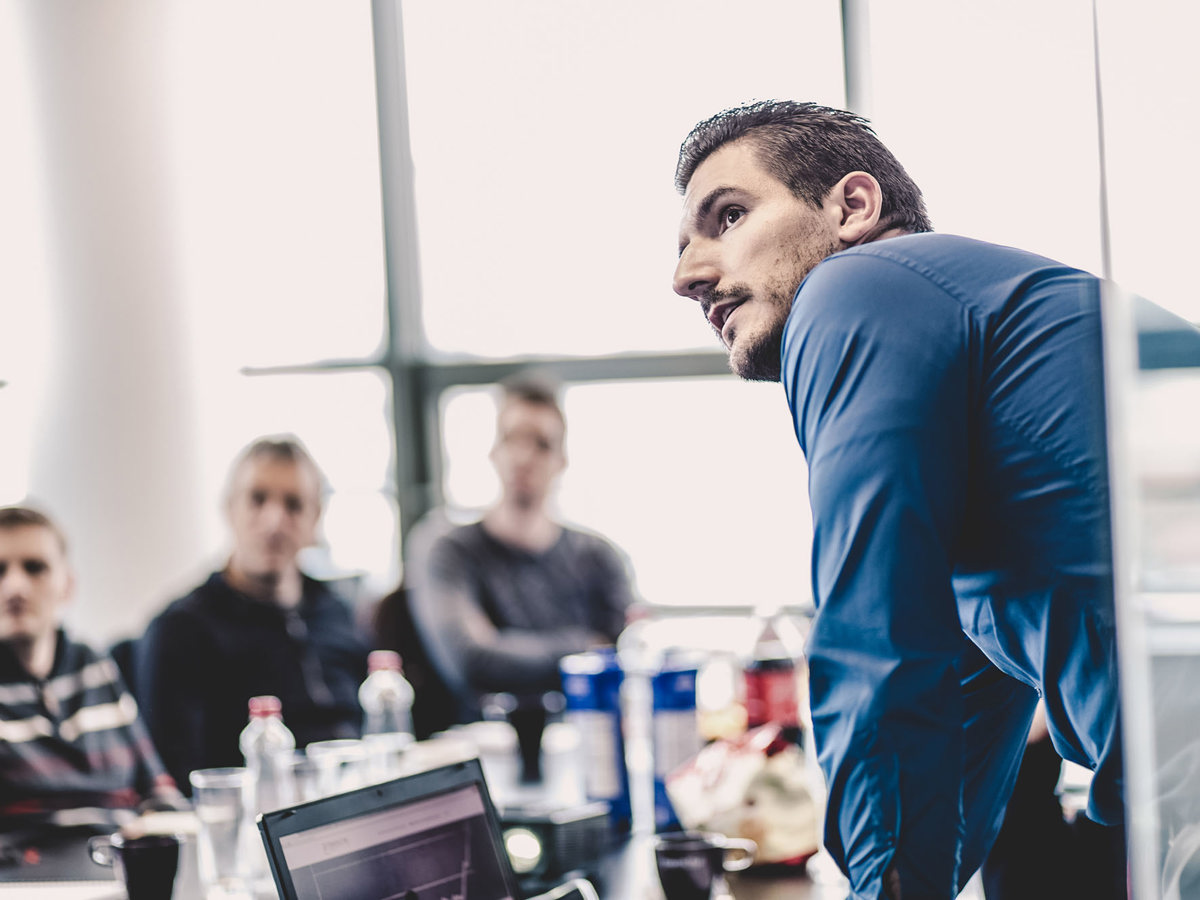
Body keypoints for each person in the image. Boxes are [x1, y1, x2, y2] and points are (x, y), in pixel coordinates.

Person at [670, 100, 1124, 899]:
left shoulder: (857, 287)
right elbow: (947, 739)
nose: (686, 276)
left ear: (853, 206)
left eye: (730, 216)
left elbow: (877, 634)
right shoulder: (972, 358)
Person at [136, 436, 368, 793]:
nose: (275, 520)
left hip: (354, 797)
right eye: (257, 499)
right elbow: (180, 778)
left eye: (293, 504)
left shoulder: (336, 610)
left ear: (315, 518)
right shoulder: (181, 630)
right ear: (230, 509)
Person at [405, 371, 634, 727]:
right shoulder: (449, 550)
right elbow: (473, 661)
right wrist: (585, 647)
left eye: (542, 444)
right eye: (512, 439)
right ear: (494, 451)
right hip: (487, 749)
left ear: (562, 460)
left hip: (586, 742)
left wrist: (506, 646)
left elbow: (625, 662)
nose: (525, 456)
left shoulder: (599, 557)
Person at [0, 506, 186, 868]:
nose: (16, 585)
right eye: (0, 570)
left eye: (34, 567)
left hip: (120, 869)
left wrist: (166, 832)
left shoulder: (94, 664)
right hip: (27, 877)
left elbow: (158, 789)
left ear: (67, 585)